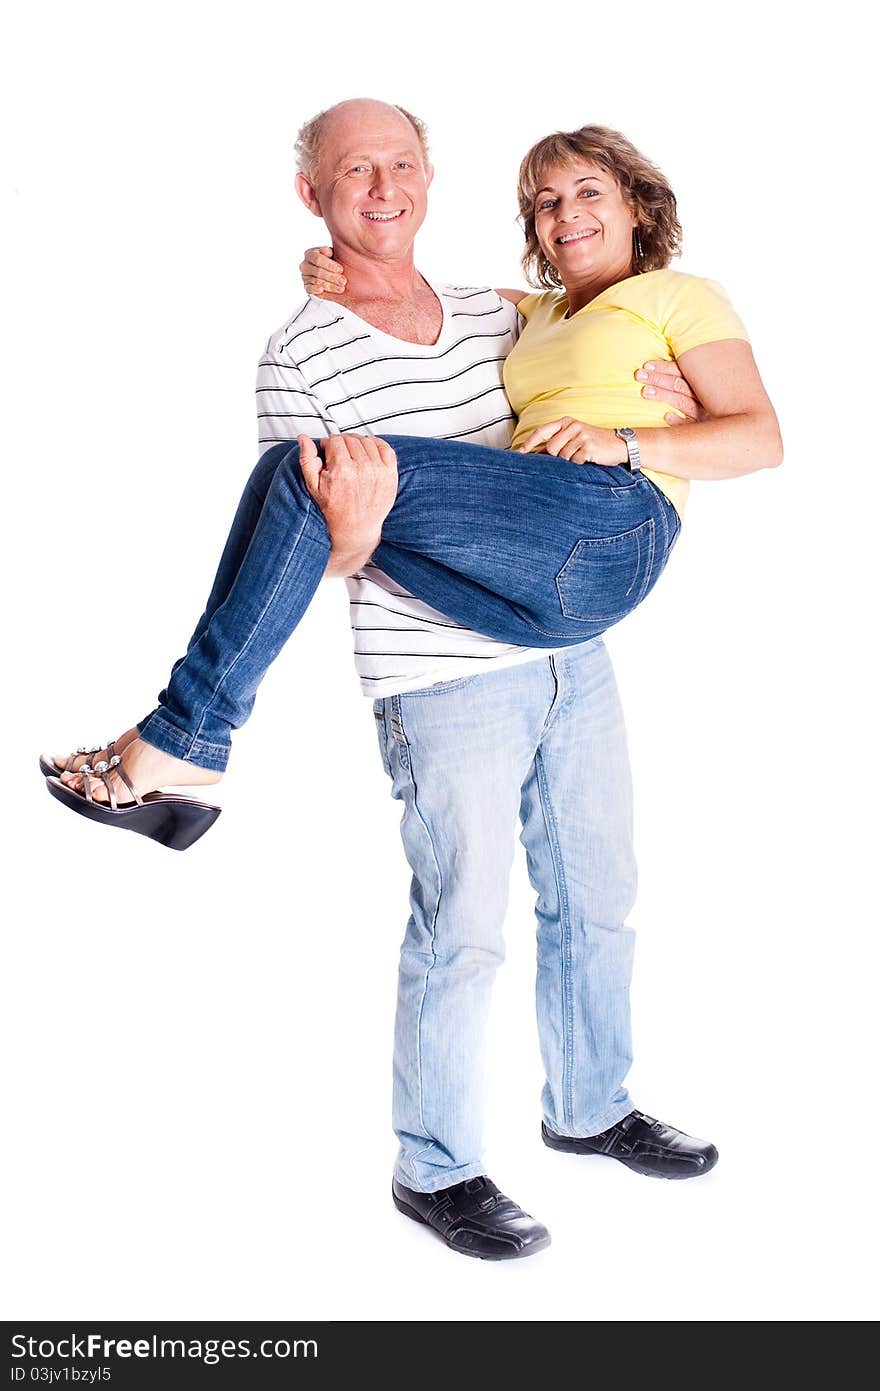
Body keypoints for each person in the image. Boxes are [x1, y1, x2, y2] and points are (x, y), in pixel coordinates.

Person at [42, 101, 781, 1258]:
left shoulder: (502, 310)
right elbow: (315, 557)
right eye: (352, 172)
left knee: (595, 897)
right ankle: (437, 1171)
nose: (379, 188)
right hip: (440, 676)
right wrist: (356, 514)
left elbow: (687, 393)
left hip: (566, 645)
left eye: (398, 165)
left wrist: (646, 424)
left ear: (430, 179)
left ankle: (590, 1107)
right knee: (463, 929)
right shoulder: (305, 346)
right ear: (315, 196)